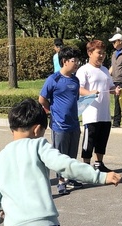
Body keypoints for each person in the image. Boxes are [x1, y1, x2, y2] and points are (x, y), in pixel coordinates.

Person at [39, 45, 84, 196]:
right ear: (64, 61)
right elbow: (42, 99)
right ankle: (61, 182)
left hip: (74, 123)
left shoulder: (75, 80)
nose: (77, 63)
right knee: (60, 154)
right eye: (74, 60)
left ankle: (70, 178)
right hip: (59, 124)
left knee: (72, 154)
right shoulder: (53, 79)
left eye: (78, 60)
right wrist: (50, 113)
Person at [76, 39, 120, 173]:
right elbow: (79, 89)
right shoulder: (84, 70)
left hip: (104, 112)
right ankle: (86, 166)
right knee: (89, 140)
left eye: (103, 53)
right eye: (98, 53)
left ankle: (99, 163)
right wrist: (90, 93)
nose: (101, 56)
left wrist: (115, 90)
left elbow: (110, 86)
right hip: (91, 112)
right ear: (90, 53)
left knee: (102, 139)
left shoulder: (105, 70)